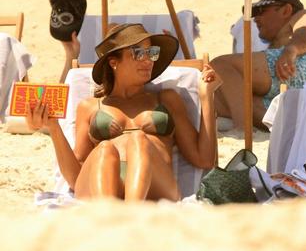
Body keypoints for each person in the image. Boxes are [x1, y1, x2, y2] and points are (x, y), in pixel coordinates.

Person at [25, 23, 221, 201]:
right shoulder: (90, 106)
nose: (148, 60)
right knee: (104, 149)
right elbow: (76, 178)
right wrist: (53, 128)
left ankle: (128, 215)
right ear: (113, 62)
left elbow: (203, 159)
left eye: (151, 52)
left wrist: (207, 98)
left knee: (139, 141)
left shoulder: (166, 99)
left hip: (156, 185)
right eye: (138, 53)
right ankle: (111, 215)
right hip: (103, 181)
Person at [211, 0, 306, 131]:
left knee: (221, 64)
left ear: (286, 10)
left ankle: (242, 129)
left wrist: (291, 50)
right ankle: (290, 126)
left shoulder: (302, 16)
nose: (255, 18)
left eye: (261, 10)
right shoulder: (276, 44)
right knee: (220, 95)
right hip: (294, 101)